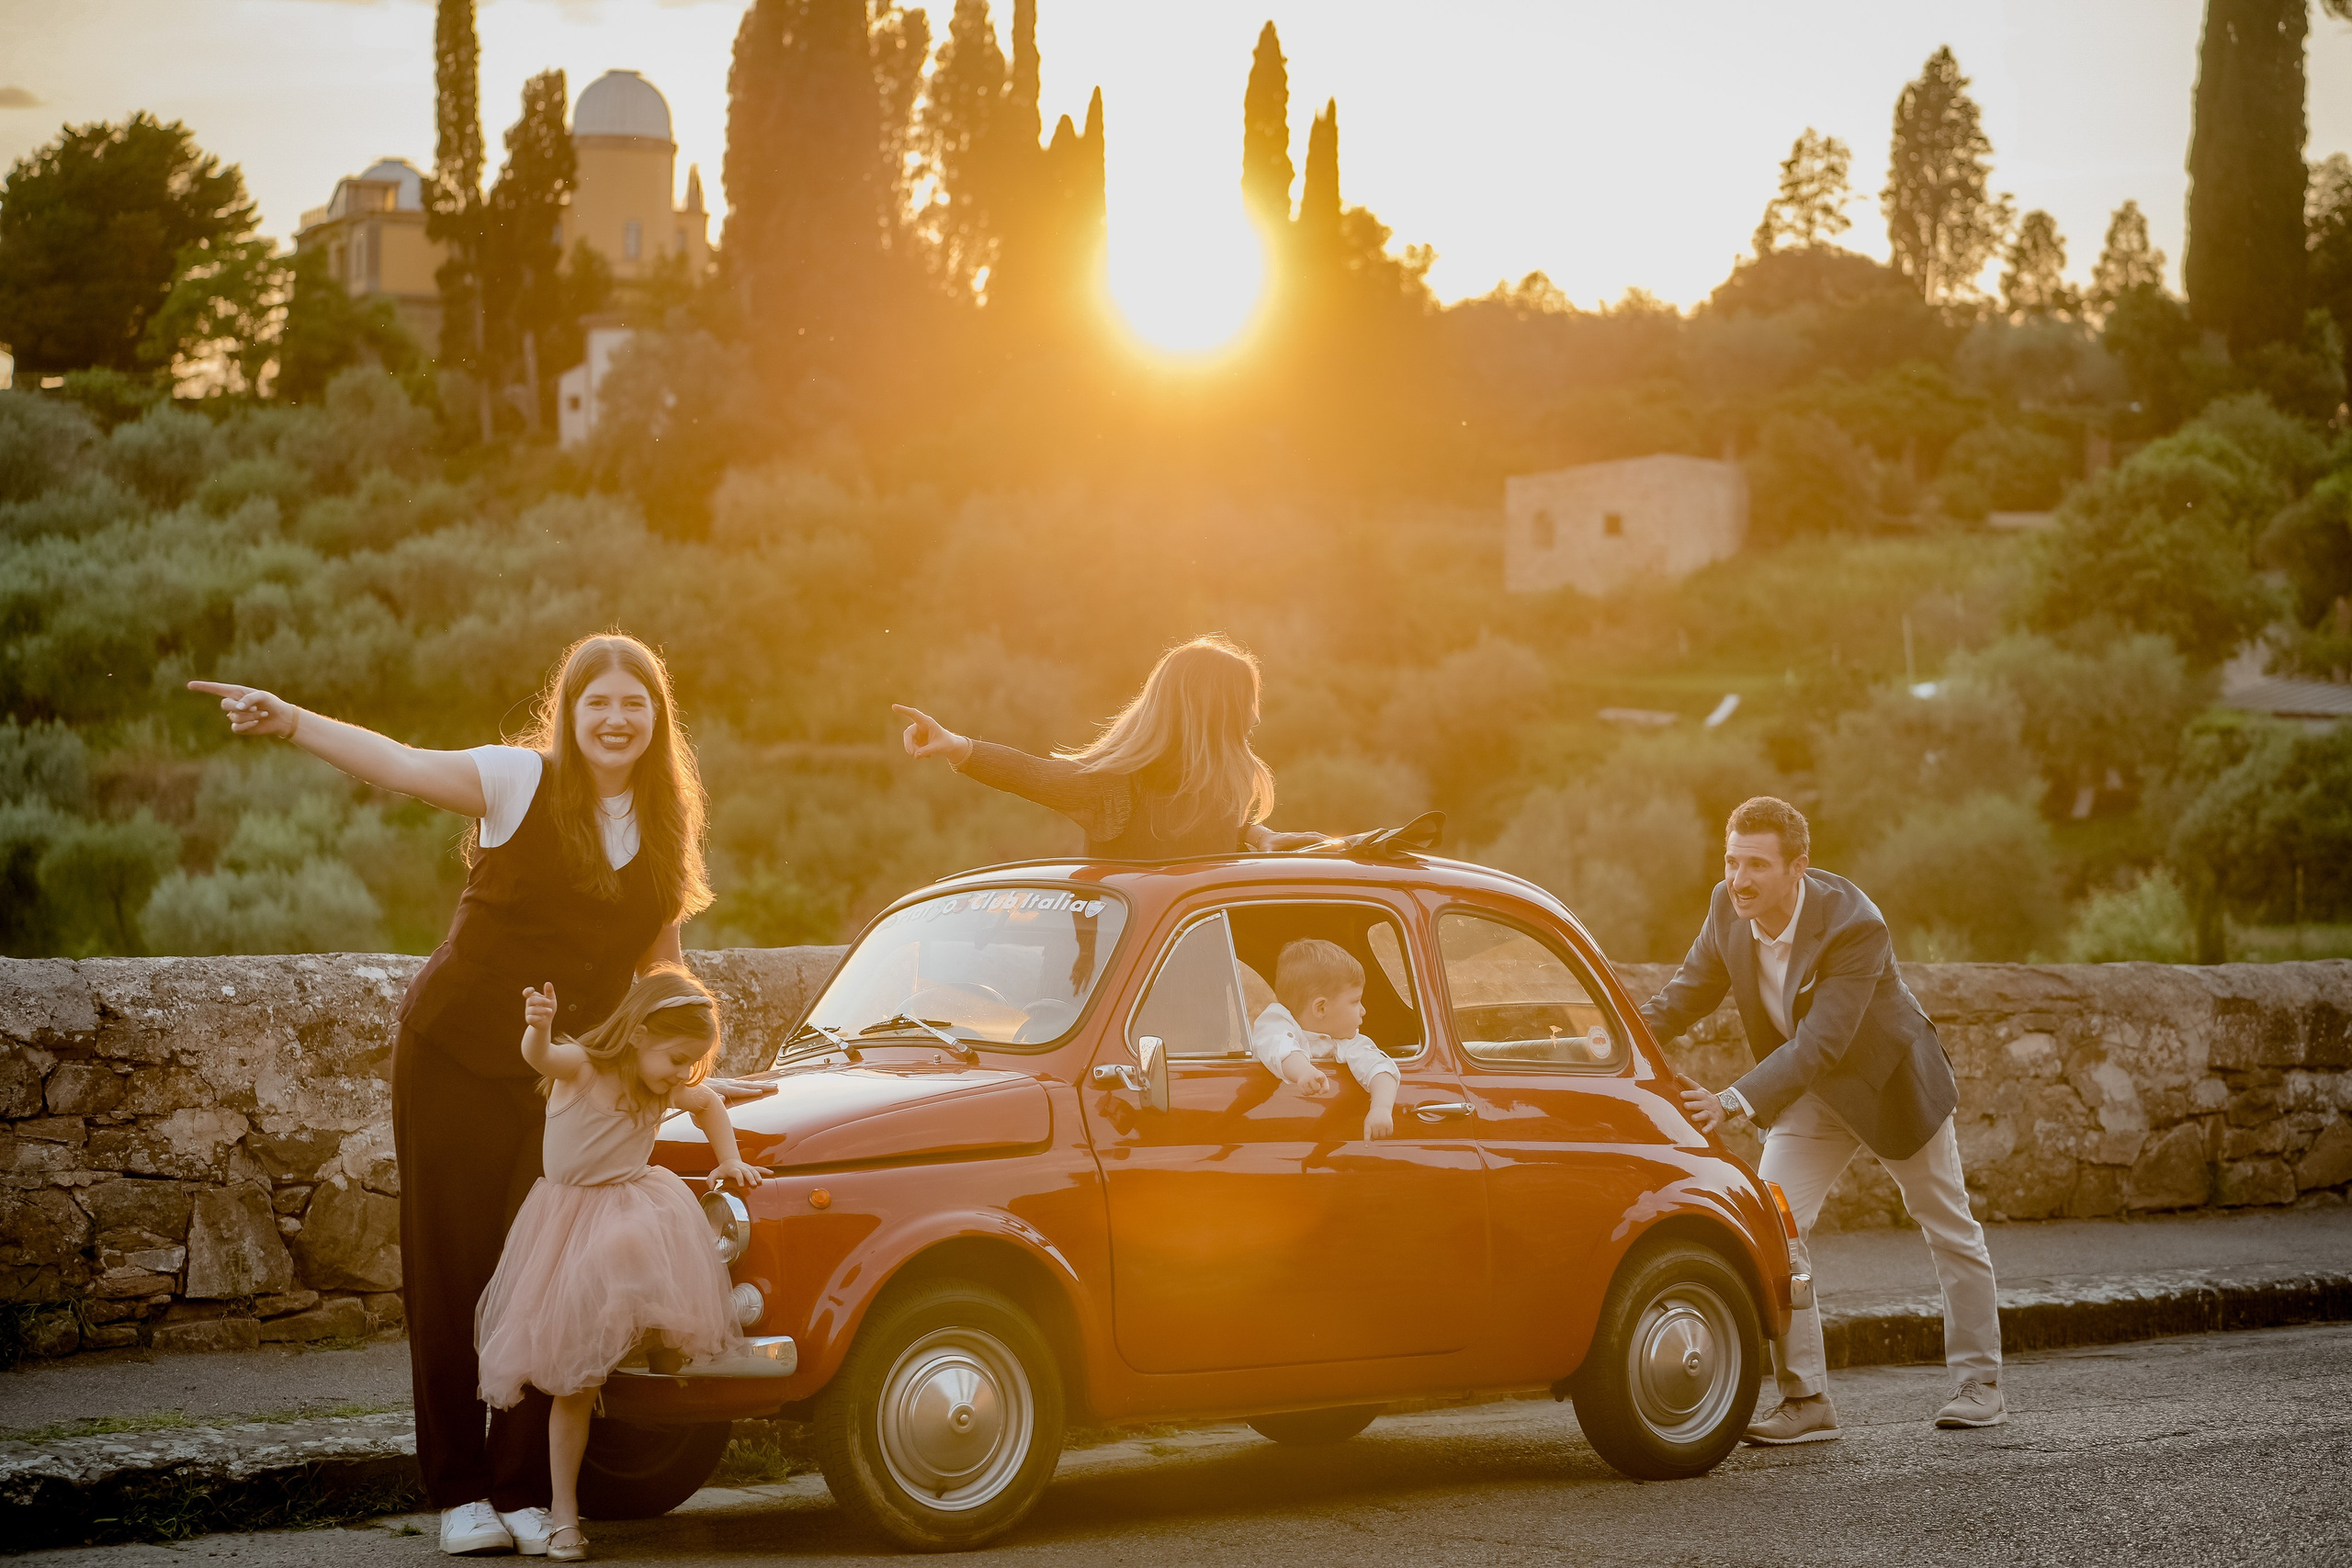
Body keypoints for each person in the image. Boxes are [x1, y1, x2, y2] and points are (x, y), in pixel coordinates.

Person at [189, 632, 714, 1557]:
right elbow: (396, 763)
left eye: (635, 704)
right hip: (452, 1055)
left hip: (557, 1084)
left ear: (655, 718)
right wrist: (291, 723)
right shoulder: (519, 783)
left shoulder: (668, 825)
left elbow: (659, 965)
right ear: (572, 711)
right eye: (599, 702)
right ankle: (459, 1490)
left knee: (538, 1279)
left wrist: (686, 1059)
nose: (617, 718)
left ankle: (519, 1489)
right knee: (451, 1271)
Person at [1640, 795, 2004, 1443]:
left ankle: (1981, 1386)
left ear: (1797, 868)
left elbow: (1822, 1043)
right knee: (1775, 1228)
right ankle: (1807, 1401)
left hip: (1888, 1085)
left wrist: (1728, 1100)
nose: (1739, 878)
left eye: (1756, 864)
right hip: (1810, 1097)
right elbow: (1682, 998)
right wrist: (1607, 1040)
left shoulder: (1854, 924)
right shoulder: (1727, 908)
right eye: (1731, 860)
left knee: (1948, 1225)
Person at [479, 966, 763, 1563]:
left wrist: (730, 1159)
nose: (684, 1072)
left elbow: (709, 1101)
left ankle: (657, 1331)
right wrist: (539, 1026)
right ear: (638, 1033)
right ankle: (562, 1515)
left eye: (693, 1060)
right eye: (677, 1057)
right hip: (568, 1223)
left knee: (640, 1234)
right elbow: (541, 1056)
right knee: (574, 1384)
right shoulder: (583, 1066)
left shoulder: (662, 1086)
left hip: (633, 1204)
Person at [892, 634, 1317, 859]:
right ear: (1212, 711)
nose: (1255, 718)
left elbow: (1203, 831)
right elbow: (1035, 775)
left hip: (1202, 983)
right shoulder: (1114, 789)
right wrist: (956, 746)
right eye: (1246, 705)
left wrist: (1256, 834)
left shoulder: (1221, 788)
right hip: (1117, 986)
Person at [1248, 939, 1400, 1142]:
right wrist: (1303, 1072)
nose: (1364, 1010)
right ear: (1321, 1008)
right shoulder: (1276, 1021)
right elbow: (1278, 1045)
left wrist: (1381, 1108)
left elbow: (1381, 1069)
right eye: (1355, 1001)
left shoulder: (1349, 1042)